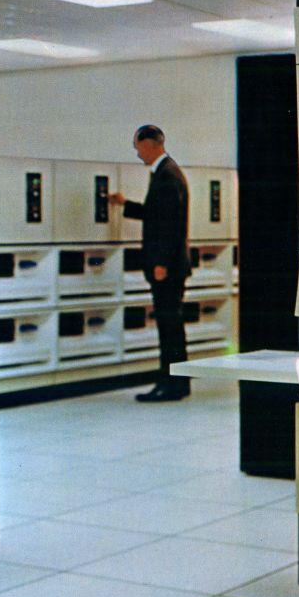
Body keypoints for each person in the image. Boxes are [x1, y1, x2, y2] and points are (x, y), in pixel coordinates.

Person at [108, 125, 192, 402]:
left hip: (167, 266)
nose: (137, 153)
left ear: (151, 144)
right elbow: (157, 215)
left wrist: (161, 263)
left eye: (138, 146)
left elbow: (170, 226)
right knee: (171, 326)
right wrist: (125, 204)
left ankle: (170, 385)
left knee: (169, 327)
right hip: (169, 264)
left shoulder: (166, 175)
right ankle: (175, 383)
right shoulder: (167, 172)